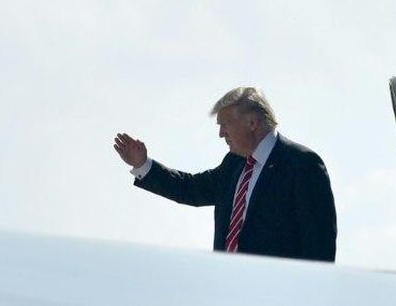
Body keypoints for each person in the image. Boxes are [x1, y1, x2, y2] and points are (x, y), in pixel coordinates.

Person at [113, 87, 337, 262]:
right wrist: (143, 164)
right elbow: (191, 189)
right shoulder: (234, 164)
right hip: (227, 289)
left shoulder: (302, 164)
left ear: (252, 122)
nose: (221, 134)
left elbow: (319, 247)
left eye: (225, 124)